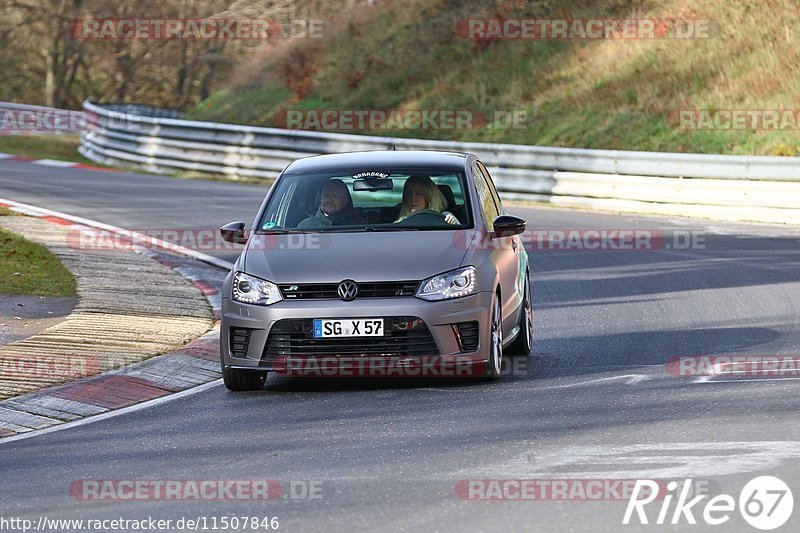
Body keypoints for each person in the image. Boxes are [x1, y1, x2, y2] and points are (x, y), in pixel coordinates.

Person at [298, 178, 364, 228]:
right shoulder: (305, 226)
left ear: (345, 201)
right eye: (326, 195)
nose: (329, 200)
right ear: (321, 198)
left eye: (334, 196)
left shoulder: (359, 225)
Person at [395, 175, 460, 224]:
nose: (412, 198)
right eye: (408, 193)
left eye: (418, 194)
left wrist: (456, 224)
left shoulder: (446, 218)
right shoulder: (398, 223)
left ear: (429, 197)